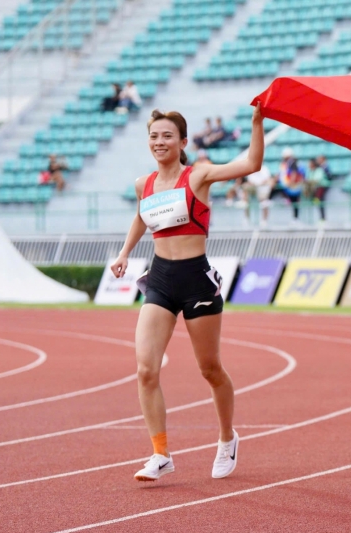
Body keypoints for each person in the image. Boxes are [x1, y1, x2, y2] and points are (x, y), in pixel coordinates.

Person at [110, 104, 264, 482]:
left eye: (167, 136)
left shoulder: (199, 175)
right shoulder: (143, 184)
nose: (159, 142)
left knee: (210, 369)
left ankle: (227, 438)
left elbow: (252, 164)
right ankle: (160, 453)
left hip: (196, 279)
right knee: (146, 369)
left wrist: (257, 123)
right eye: (153, 136)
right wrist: (125, 252)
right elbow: (141, 216)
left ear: (182, 142)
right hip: (160, 278)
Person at [305, 156, 331, 224]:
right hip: (315, 188)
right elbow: (308, 179)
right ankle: (314, 198)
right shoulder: (310, 171)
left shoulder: (319, 170)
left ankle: (323, 218)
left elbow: (317, 179)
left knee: (320, 202)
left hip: (321, 187)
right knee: (319, 203)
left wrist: (310, 182)